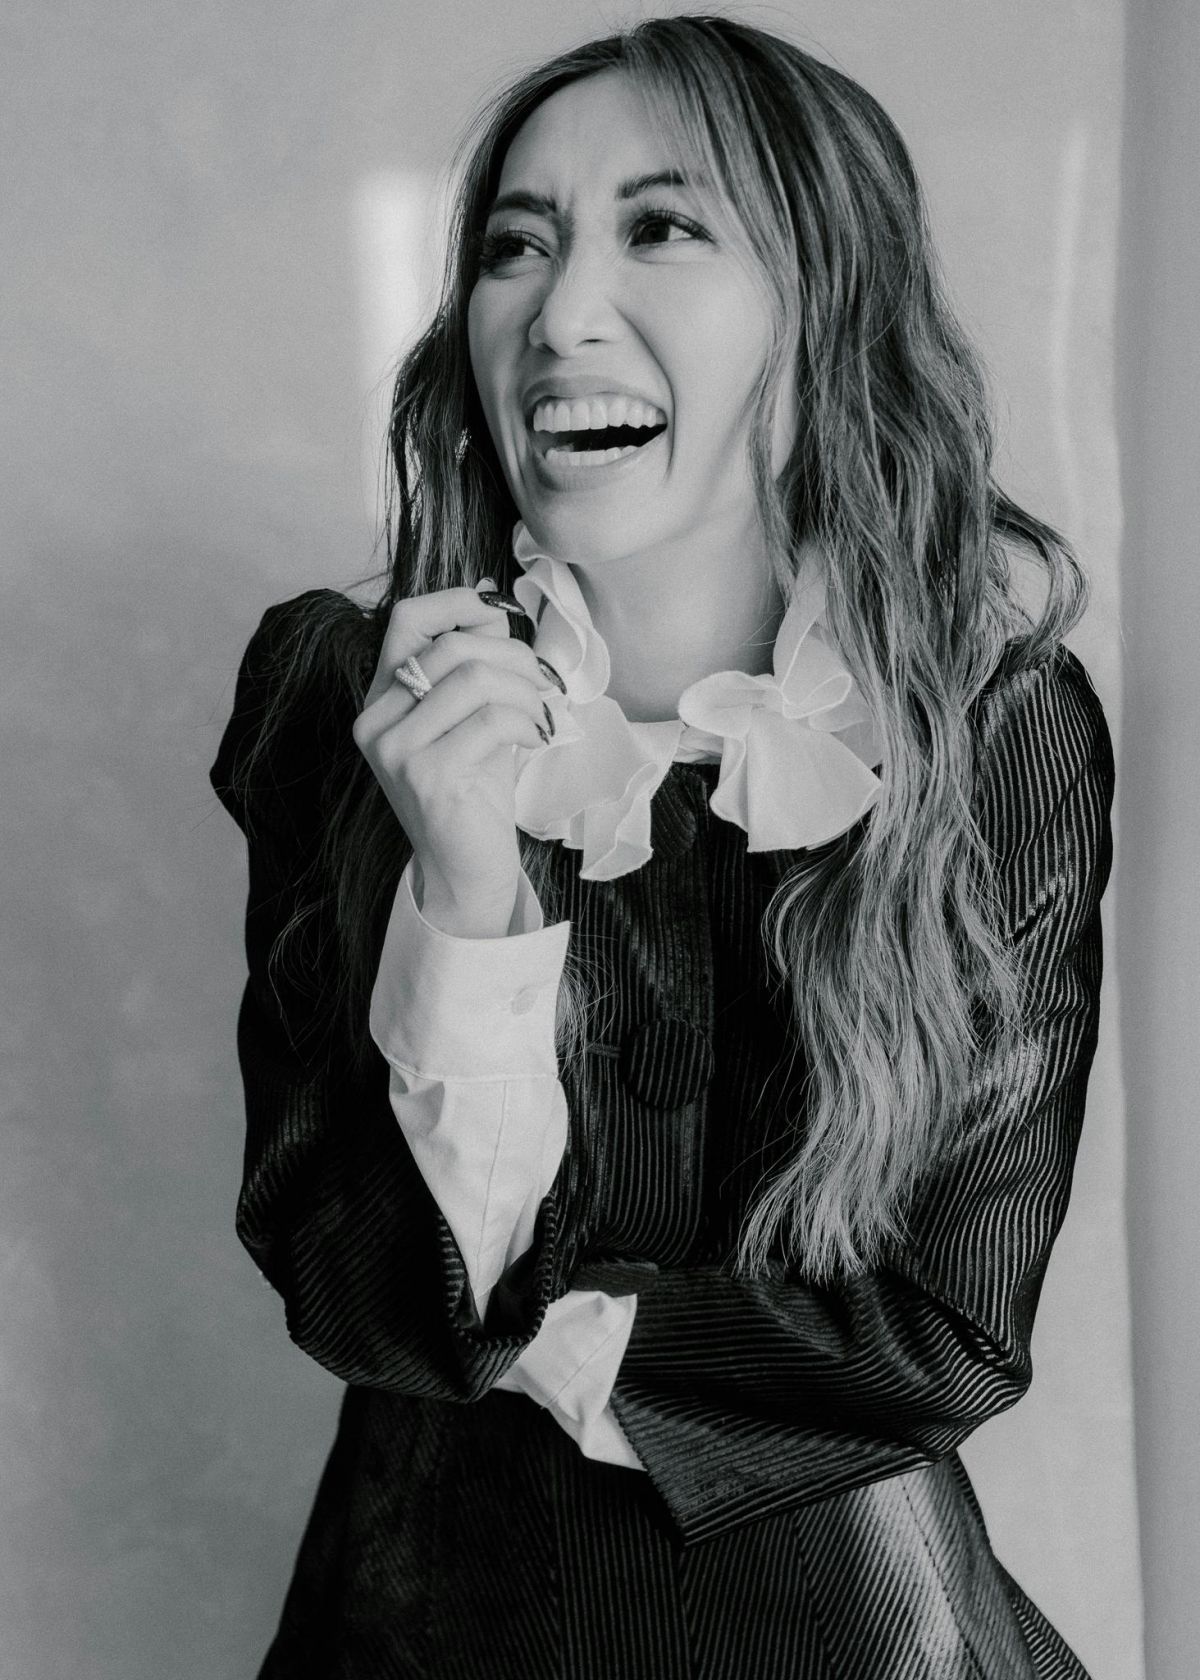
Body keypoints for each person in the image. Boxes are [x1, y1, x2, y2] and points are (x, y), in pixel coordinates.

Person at [209, 15, 1114, 1678]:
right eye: (515, 245)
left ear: (824, 303)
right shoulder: (340, 695)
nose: (559, 313)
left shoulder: (989, 726)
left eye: (662, 227)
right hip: (409, 1636)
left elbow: (941, 1335)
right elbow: (349, 1282)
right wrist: (467, 893)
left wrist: (521, 1328)